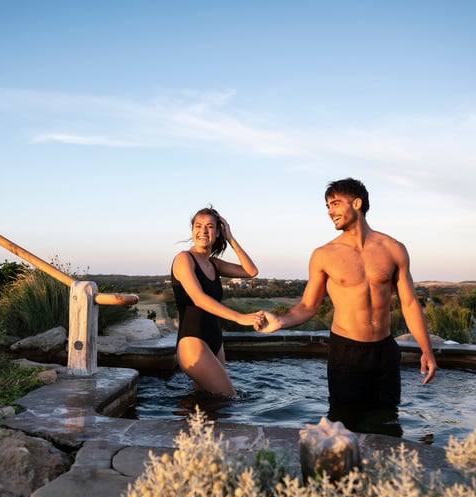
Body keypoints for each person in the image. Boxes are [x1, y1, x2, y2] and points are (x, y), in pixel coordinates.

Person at [257, 178, 438, 433]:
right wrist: (280, 321)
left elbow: (409, 303)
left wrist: (426, 350)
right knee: (343, 428)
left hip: (384, 351)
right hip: (346, 351)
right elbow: (308, 306)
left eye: (335, 203)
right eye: (327, 206)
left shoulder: (394, 249)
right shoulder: (324, 255)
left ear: (357, 203)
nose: (329, 211)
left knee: (387, 422)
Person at [171, 206, 265, 396]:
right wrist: (240, 318)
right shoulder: (184, 259)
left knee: (207, 402)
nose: (203, 231)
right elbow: (198, 298)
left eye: (209, 227)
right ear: (192, 231)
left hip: (214, 341)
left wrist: (230, 238)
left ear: (218, 231)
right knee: (230, 398)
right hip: (193, 342)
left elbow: (251, 271)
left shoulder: (214, 264)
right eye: (198, 226)